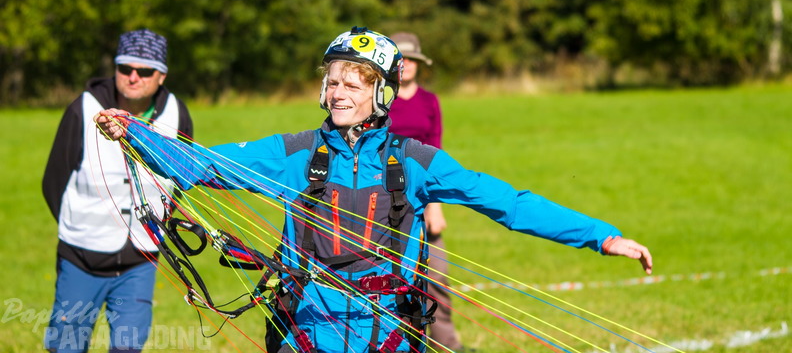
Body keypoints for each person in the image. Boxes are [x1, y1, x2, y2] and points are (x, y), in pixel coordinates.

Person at [95, 26, 652, 353]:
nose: (338, 92)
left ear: (381, 93)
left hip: (388, 336)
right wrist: (135, 133)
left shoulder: (416, 163)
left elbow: (508, 203)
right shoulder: (293, 154)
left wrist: (600, 237)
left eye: (353, 84)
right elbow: (201, 164)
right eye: (332, 81)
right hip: (304, 333)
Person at [42, 29, 194, 353]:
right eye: (126, 68)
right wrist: (81, 227)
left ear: (162, 76)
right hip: (81, 259)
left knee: (128, 347)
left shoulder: (177, 113)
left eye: (145, 71)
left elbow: (181, 176)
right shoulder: (82, 108)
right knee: (66, 346)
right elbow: (53, 181)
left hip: (141, 260)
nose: (133, 77)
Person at [388, 32, 461, 352]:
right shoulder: (381, 101)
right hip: (385, 197)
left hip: (424, 197)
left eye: (412, 59)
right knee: (387, 278)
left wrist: (435, 204)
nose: (407, 64)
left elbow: (436, 152)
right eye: (401, 59)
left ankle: (446, 345)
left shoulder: (430, 101)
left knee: (437, 274)